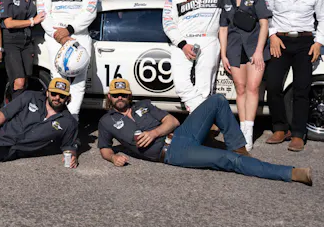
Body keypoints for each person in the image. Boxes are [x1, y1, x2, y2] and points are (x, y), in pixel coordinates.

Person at [97, 79, 312, 186]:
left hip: (182, 133)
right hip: (173, 152)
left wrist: (153, 133)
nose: (120, 98)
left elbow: (172, 121)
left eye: (123, 94)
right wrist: (113, 157)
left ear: (129, 95)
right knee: (228, 160)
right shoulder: (106, 122)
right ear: (110, 97)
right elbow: (105, 149)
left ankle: (239, 148)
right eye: (116, 95)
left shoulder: (143, 105)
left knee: (217, 100)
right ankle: (291, 173)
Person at [162, 0, 266, 113]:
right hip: (183, 41)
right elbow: (168, 23)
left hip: (209, 39)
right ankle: (202, 115)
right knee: (182, 86)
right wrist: (182, 44)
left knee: (205, 89)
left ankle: (200, 121)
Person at [264, 0, 324, 152]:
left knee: (302, 88)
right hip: (279, 41)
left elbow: (322, 18)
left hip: (305, 42)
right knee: (273, 85)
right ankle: (280, 128)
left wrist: (318, 42)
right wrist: (272, 35)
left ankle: (298, 133)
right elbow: (268, 15)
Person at [37, 0, 98, 121]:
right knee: (58, 79)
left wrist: (69, 30)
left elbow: (90, 10)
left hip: (79, 34)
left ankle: (72, 119)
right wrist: (59, 35)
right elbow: (43, 12)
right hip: (55, 35)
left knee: (79, 79)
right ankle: (57, 119)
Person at [219, 0, 271, 150]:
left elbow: (264, 24)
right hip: (234, 49)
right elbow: (223, 28)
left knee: (253, 88)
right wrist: (223, 54)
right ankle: (242, 128)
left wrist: (258, 51)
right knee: (240, 89)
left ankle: (249, 129)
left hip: (254, 48)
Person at [0, 0, 44, 99]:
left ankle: (22, 108)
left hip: (28, 41)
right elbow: (8, 23)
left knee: (26, 79)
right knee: (19, 81)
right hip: (12, 41)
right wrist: (32, 21)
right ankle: (15, 110)